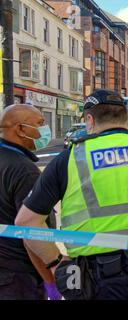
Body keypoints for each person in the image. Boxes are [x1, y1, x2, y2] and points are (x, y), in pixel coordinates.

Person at [15, 89, 128, 300]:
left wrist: (55, 263)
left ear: (89, 120)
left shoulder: (70, 159)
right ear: (126, 118)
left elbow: (26, 221)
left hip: (94, 281)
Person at [0, 104, 60, 300]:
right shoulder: (23, 170)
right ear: (20, 129)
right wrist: (50, 281)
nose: (45, 130)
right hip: (17, 277)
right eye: (40, 124)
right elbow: (31, 231)